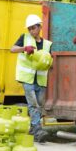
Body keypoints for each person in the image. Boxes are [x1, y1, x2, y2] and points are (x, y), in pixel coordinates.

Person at [11, 14, 52, 143]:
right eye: (29, 28)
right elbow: (12, 49)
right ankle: (38, 130)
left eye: (33, 28)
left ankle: (33, 130)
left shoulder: (47, 44)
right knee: (33, 104)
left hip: (40, 79)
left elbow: (49, 60)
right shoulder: (24, 38)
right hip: (27, 79)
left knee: (39, 106)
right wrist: (24, 48)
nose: (31, 30)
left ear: (39, 27)